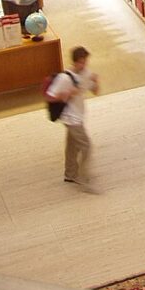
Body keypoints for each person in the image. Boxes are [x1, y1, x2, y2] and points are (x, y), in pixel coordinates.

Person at [47, 45, 100, 193]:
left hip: (79, 115)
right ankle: (84, 179)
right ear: (75, 62)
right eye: (81, 62)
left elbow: (95, 91)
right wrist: (67, 94)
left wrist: (96, 81)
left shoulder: (86, 73)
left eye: (85, 62)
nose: (84, 65)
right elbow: (50, 96)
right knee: (86, 146)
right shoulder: (64, 78)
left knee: (72, 147)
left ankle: (70, 174)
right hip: (71, 118)